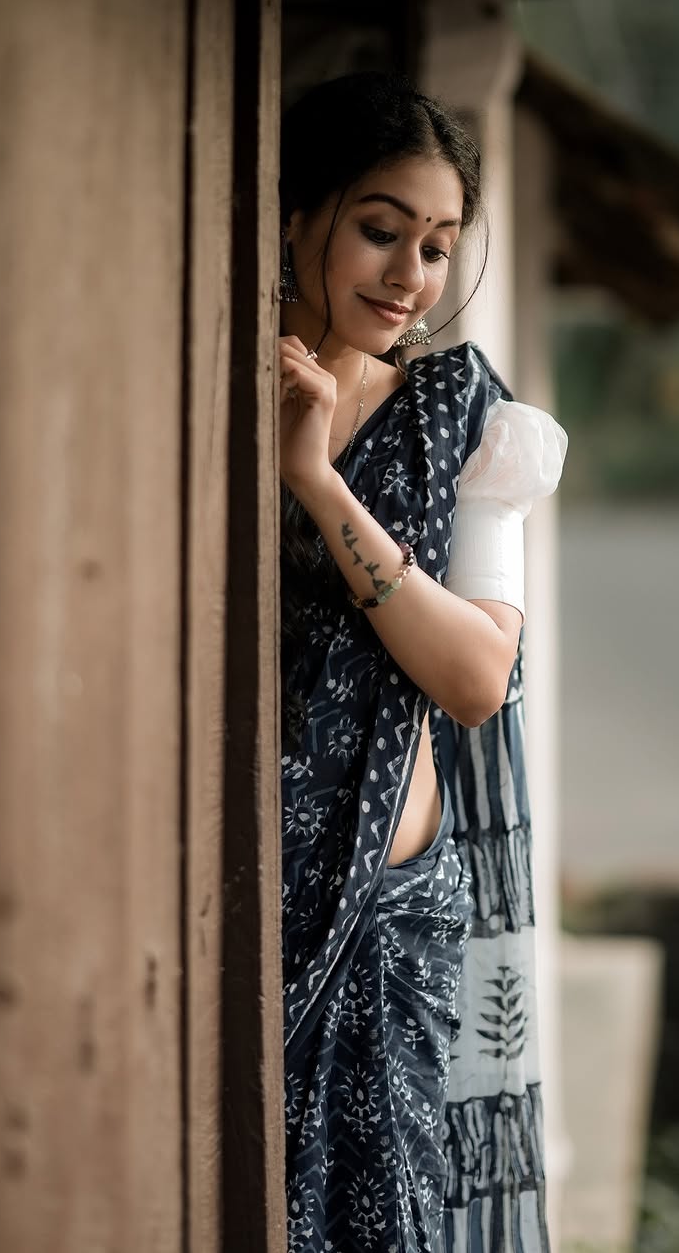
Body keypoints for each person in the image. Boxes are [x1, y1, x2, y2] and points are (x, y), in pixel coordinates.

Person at [277, 72, 567, 1253]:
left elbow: (476, 678)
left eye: (439, 247)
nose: (411, 278)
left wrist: (316, 480)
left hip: (392, 926)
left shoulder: (469, 421)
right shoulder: (194, 400)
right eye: (380, 230)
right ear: (298, 217)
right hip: (231, 909)